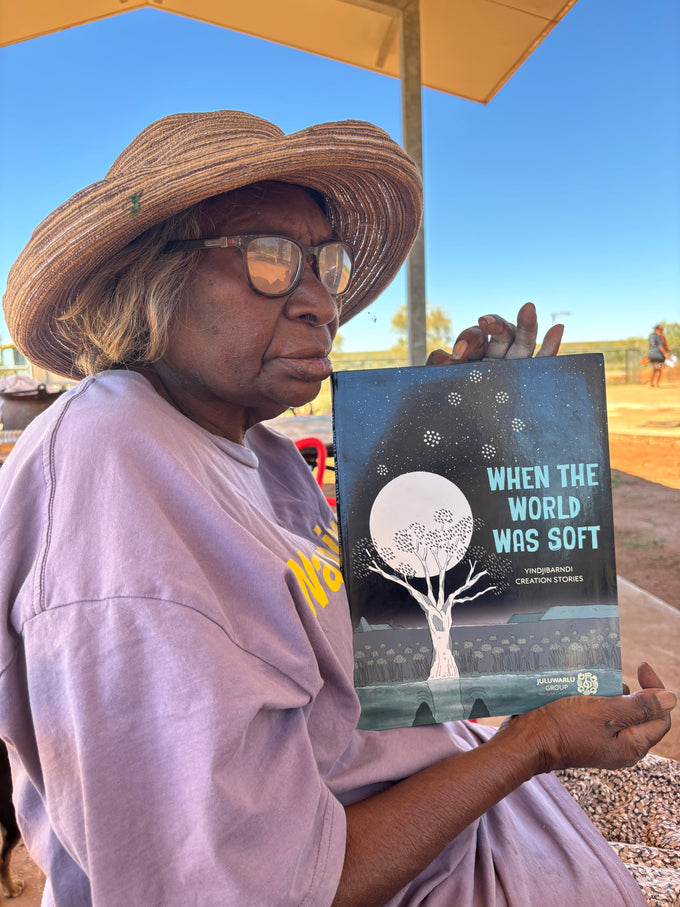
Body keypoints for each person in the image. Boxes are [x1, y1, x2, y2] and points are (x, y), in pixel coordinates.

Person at [0, 110, 677, 907]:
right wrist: (536, 742)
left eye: (328, 262)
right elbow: (259, 889)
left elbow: (382, 657)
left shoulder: (257, 449)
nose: (322, 301)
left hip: (468, 810)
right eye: (270, 257)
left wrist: (455, 454)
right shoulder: (114, 470)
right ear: (151, 277)